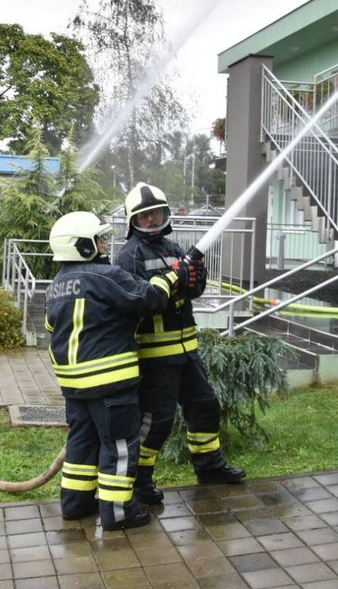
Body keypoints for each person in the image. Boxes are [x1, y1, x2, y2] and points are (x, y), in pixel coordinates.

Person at [45, 211, 189, 530]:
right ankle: (118, 512)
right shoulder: (106, 275)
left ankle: (75, 504)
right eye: (97, 239)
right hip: (111, 382)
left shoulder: (56, 286)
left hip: (73, 385)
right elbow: (150, 299)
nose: (102, 243)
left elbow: (51, 326)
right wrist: (171, 275)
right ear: (83, 246)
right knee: (120, 446)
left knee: (83, 442)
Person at [116, 182, 247, 505]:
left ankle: (209, 466)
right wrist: (173, 286)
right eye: (144, 216)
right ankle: (140, 480)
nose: (150, 220)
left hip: (187, 350)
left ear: (165, 214)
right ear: (133, 219)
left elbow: (193, 291)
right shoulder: (128, 257)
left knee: (205, 407)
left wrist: (194, 279)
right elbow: (139, 301)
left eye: (155, 214)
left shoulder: (174, 249)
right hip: (156, 356)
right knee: (157, 422)